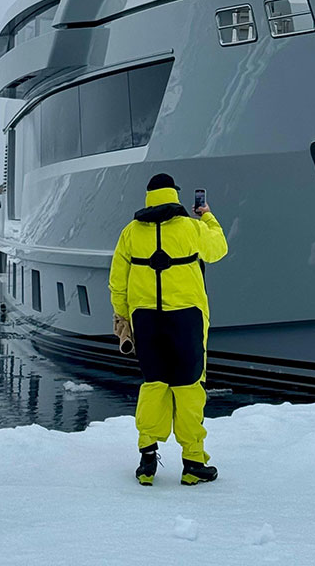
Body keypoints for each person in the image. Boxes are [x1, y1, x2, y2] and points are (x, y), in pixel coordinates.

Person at [108, 172, 227, 486]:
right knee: (189, 388)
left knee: (154, 384)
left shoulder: (130, 233)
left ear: (149, 197)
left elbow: (117, 281)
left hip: (146, 320)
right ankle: (193, 462)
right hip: (187, 318)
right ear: (174, 194)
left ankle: (147, 460)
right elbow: (219, 248)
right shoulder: (191, 227)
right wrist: (207, 216)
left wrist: (122, 317)